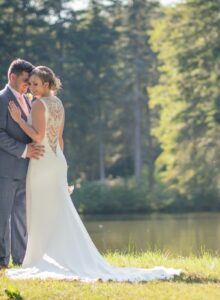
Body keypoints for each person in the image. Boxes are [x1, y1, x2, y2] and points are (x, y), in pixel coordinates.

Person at [6, 65, 182, 282]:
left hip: (42, 161)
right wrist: (62, 165)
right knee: (57, 209)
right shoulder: (58, 103)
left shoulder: (38, 105)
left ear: (47, 84)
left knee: (42, 210)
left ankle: (40, 258)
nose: (31, 88)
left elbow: (37, 134)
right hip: (57, 159)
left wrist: (18, 119)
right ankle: (54, 255)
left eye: (35, 84)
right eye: (30, 83)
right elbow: (59, 138)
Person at [0, 59, 44, 269]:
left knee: (20, 217)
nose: (29, 85)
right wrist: (25, 150)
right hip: (5, 170)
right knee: (2, 217)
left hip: (26, 169)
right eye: (26, 81)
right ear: (12, 77)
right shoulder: (2, 99)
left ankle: (21, 260)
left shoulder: (28, 100)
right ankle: (1, 262)